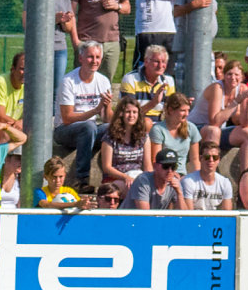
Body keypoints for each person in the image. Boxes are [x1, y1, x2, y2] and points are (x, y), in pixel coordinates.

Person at [53, 40, 113, 191]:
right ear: (81, 58)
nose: (94, 61)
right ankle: (81, 179)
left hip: (90, 130)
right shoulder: (69, 81)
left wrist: (106, 107)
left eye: (97, 57)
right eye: (90, 57)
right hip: (65, 131)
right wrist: (95, 110)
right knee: (89, 126)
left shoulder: (103, 81)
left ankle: (111, 176)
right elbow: (67, 118)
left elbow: (106, 119)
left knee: (113, 128)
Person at [190, 59, 248, 172]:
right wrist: (236, 102)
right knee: (214, 130)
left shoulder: (242, 89)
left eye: (236, 75)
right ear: (224, 76)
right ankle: (209, 175)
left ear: (242, 77)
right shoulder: (217, 88)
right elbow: (214, 121)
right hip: (195, 128)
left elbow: (244, 123)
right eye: (229, 74)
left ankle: (246, 176)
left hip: (218, 131)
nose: (233, 78)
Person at [172, 0, 222, 91]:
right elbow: (175, 11)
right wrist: (192, 6)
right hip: (186, 48)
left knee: (208, 87)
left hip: (206, 46)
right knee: (184, 89)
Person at [100, 96, 151, 196]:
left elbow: (148, 166)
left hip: (137, 176)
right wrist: (125, 177)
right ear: (121, 114)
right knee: (134, 187)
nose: (131, 115)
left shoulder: (143, 137)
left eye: (134, 112)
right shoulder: (110, 137)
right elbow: (107, 167)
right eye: (128, 112)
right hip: (115, 178)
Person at [119, 44, 175, 122]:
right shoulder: (130, 79)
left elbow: (170, 111)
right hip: (135, 123)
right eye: (156, 61)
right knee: (147, 122)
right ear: (146, 62)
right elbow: (129, 114)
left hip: (158, 124)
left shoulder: (168, 80)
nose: (161, 66)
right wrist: (154, 102)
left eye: (164, 62)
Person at [149, 93, 200, 176]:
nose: (187, 114)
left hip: (182, 175)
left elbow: (195, 160)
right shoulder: (158, 130)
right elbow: (156, 161)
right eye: (183, 110)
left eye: (188, 110)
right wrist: (171, 174)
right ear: (170, 110)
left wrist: (197, 179)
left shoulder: (191, 128)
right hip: (164, 174)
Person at [121, 148, 189, 210]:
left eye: (174, 167)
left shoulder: (175, 183)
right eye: (166, 166)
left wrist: (179, 193)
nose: (170, 171)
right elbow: (144, 215)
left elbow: (185, 216)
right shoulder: (143, 181)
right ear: (155, 166)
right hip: (128, 221)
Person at [180, 140, 233, 210]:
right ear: (200, 158)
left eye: (215, 157)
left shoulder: (225, 183)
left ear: (219, 160)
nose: (211, 160)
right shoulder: (188, 181)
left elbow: (227, 214)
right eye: (207, 157)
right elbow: (189, 214)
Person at [52, 0, 79, 95]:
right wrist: (53, 19)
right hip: (38, 49)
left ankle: (53, 116)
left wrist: (64, 21)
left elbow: (68, 28)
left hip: (59, 49)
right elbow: (27, 23)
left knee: (57, 88)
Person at [0, 53, 23, 127]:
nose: (26, 72)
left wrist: (22, 123)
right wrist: (18, 125)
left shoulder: (33, 85)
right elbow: (0, 117)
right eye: (22, 69)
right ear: (12, 69)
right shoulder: (0, 82)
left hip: (17, 128)